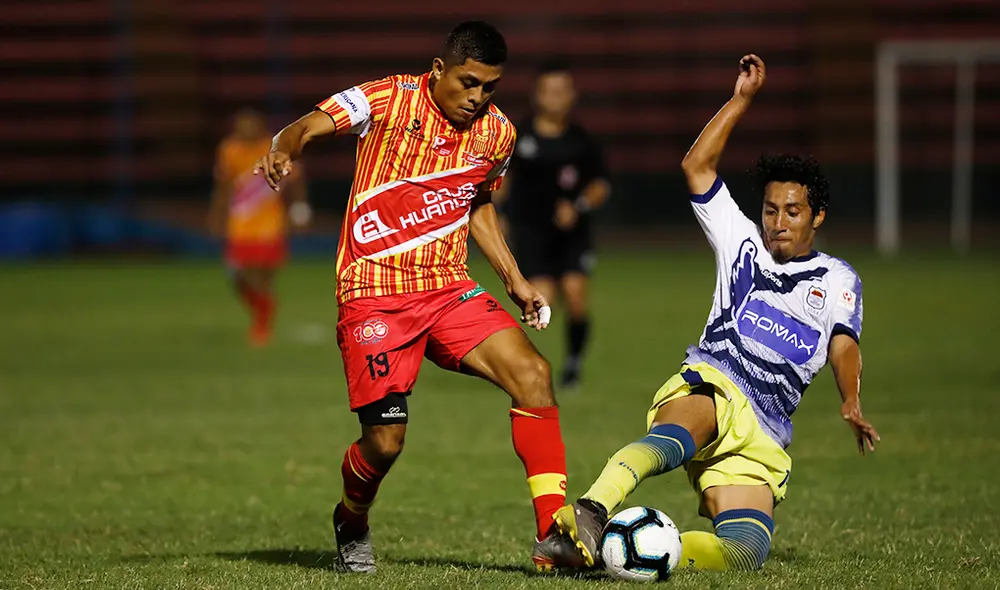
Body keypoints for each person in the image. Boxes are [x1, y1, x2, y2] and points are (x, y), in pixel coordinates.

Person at [253, 22, 581, 573]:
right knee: (384, 444)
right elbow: (310, 123)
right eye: (469, 82)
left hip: (448, 288)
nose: (477, 97)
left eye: (490, 87)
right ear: (439, 70)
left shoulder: (495, 133)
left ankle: (553, 537)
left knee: (534, 376)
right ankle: (352, 516)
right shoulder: (389, 99)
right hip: (374, 294)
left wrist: (514, 278)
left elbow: (477, 203)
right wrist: (283, 147)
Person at [553, 54, 881, 572]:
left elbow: (843, 342)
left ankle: (621, 556)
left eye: (792, 212)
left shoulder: (837, 280)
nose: (777, 222)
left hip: (766, 427)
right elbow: (696, 167)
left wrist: (851, 400)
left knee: (745, 552)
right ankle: (591, 511)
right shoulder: (739, 237)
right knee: (674, 439)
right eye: (771, 210)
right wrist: (741, 100)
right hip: (716, 380)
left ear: (816, 216)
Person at [496, 61, 610, 389]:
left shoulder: (582, 141)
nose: (556, 97)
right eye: (550, 91)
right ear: (537, 95)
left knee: (576, 296)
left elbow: (600, 185)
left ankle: (573, 364)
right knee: (541, 301)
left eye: (562, 90)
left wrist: (579, 205)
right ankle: (517, 368)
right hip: (531, 233)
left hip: (572, 235)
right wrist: (497, 214)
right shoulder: (520, 137)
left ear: (572, 95)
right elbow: (502, 180)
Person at [208, 108, 310, 346]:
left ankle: (262, 325)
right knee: (237, 276)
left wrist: (300, 209)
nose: (246, 129)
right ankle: (262, 314)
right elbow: (224, 186)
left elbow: (295, 180)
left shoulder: (275, 147)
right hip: (240, 224)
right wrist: (217, 215)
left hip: (269, 224)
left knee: (263, 277)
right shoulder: (229, 150)